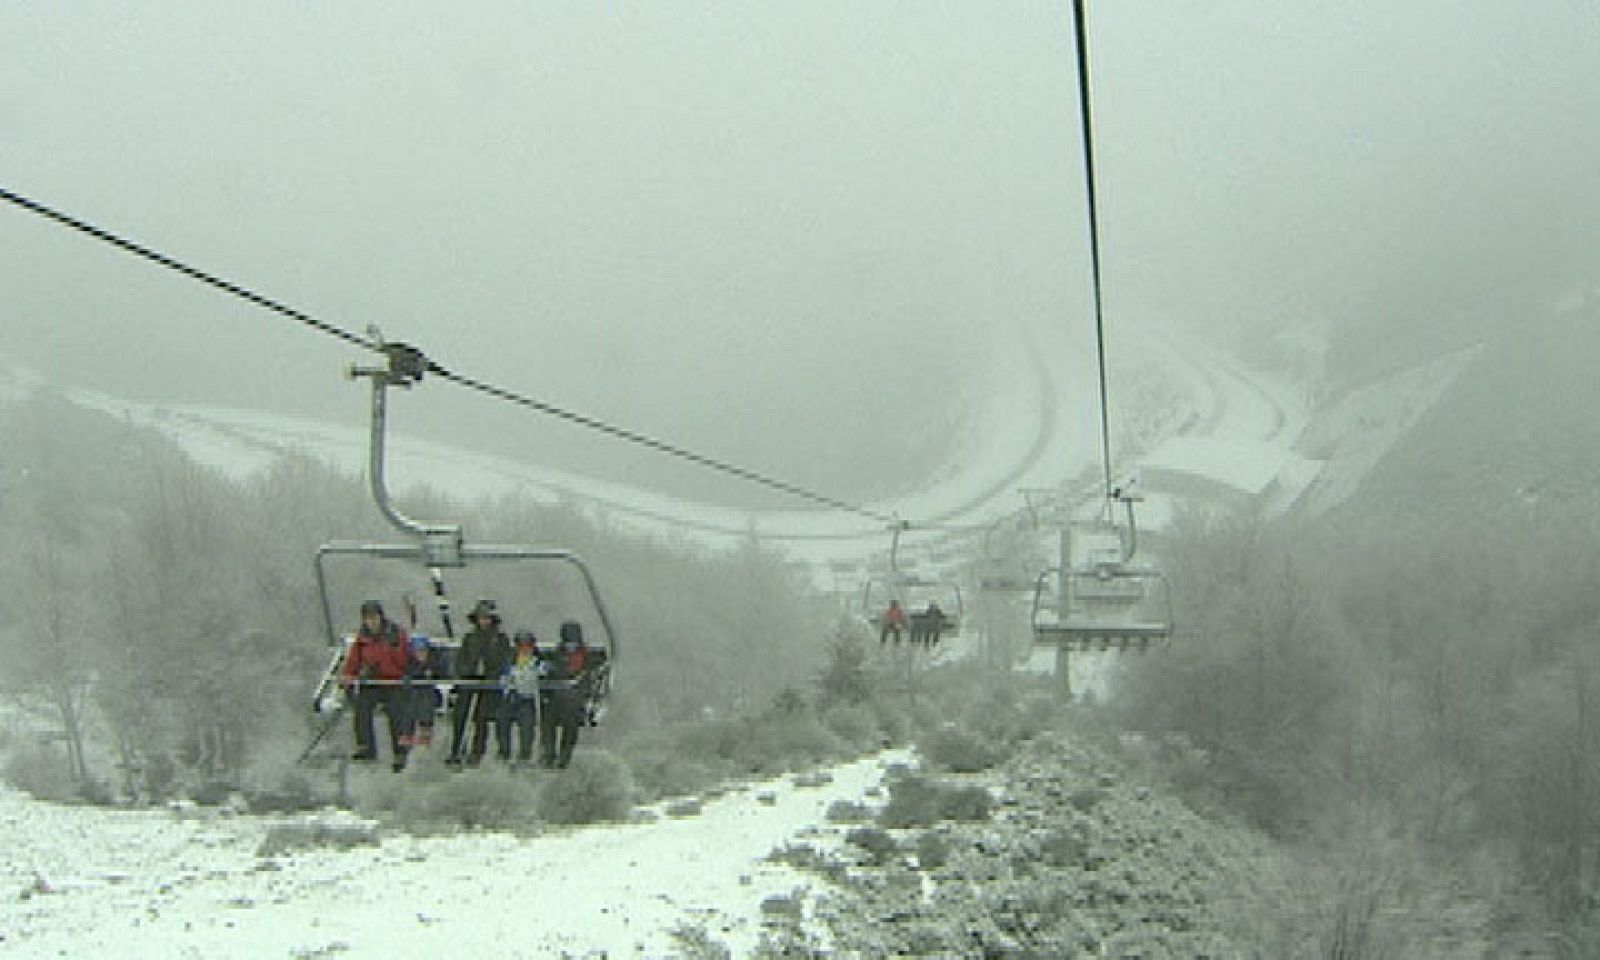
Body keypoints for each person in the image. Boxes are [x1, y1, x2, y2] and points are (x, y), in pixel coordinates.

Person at [340, 600, 411, 772]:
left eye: (374, 618)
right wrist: (349, 675)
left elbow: (404, 659)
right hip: (373, 682)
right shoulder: (363, 638)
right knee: (362, 705)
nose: (371, 622)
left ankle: (400, 751)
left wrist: (386, 666)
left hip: (393, 681)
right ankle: (366, 746)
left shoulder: (395, 634)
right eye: (368, 619)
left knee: (397, 712)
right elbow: (354, 659)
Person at [448, 599, 512, 766]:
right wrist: (467, 672)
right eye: (481, 617)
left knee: (481, 717)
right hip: (470, 682)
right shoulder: (470, 638)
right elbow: (461, 660)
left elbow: (505, 661)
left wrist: (491, 675)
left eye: (487, 618)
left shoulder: (501, 639)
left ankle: (477, 752)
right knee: (460, 715)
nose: (483, 621)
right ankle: (456, 749)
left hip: (490, 686)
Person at [539, 620, 590, 769]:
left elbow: (586, 677)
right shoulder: (556, 654)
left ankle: (564, 755)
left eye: (573, 642)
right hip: (556, 697)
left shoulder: (585, 656)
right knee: (548, 719)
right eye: (568, 642)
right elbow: (548, 673)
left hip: (574, 699)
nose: (570, 646)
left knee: (571, 720)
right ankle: (548, 754)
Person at [497, 630, 542, 768]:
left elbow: (543, 673)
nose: (525, 649)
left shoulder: (538, 662)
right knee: (502, 723)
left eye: (528, 646)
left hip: (526, 700)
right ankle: (504, 754)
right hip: (510, 698)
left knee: (527, 727)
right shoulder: (509, 661)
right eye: (521, 646)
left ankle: (524, 756)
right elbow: (501, 677)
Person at [399, 634, 443, 750]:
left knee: (425, 696)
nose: (421, 654)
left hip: (430, 693)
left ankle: (426, 728)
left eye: (423, 651)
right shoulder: (407, 662)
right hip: (411, 694)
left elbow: (442, 674)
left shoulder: (435, 661)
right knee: (410, 700)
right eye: (417, 651)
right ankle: (407, 731)